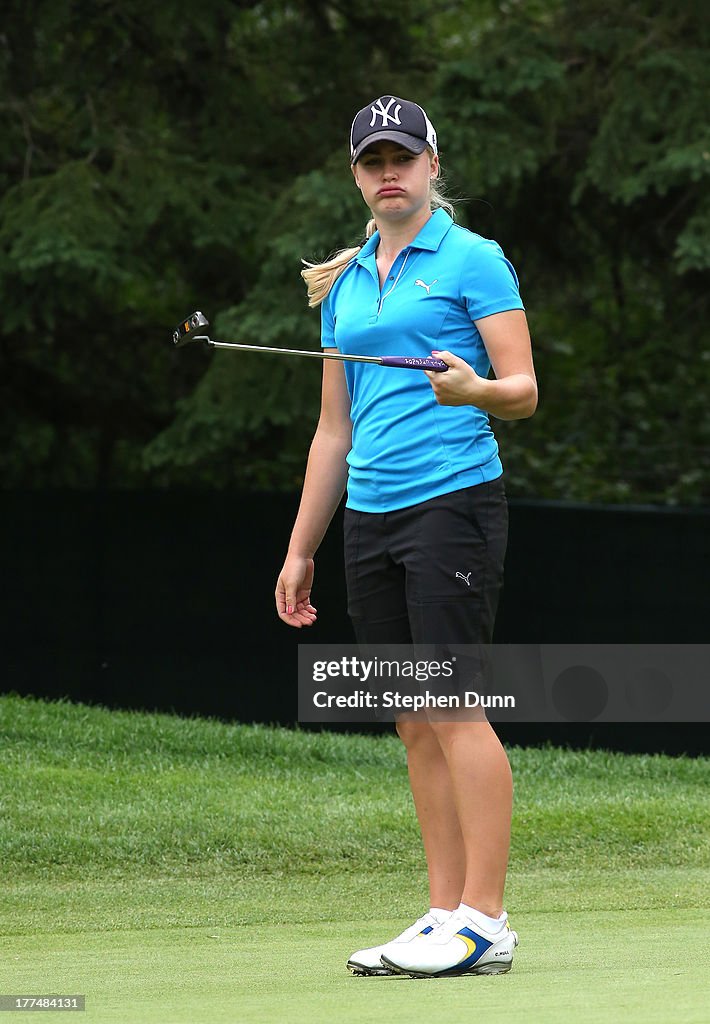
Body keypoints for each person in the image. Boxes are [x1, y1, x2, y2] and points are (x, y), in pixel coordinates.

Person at [275, 94, 537, 978]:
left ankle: (488, 920)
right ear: (357, 176)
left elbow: (524, 388)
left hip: (453, 501)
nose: (389, 173)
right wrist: (302, 546)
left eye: (403, 158)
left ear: (432, 165)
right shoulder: (346, 287)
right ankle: (442, 912)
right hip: (371, 513)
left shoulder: (474, 259)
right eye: (372, 161)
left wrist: (474, 390)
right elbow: (332, 433)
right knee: (412, 716)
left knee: (455, 706)